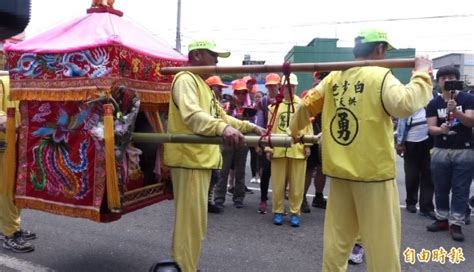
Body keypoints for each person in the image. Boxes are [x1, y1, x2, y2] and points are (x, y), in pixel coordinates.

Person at [288, 29, 433, 271]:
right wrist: (422, 75)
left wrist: (295, 133)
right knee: (382, 246)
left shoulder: (334, 77)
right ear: (379, 49)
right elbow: (405, 105)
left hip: (341, 175)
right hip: (373, 176)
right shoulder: (380, 76)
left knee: (337, 242)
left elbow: (305, 105)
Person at [163, 40, 265, 272]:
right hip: (189, 160)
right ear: (197, 55)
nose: (218, 61)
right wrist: (222, 129)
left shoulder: (202, 85)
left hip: (200, 161)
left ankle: (187, 265)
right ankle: (184, 267)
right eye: (213, 55)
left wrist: (249, 127)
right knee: (189, 224)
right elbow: (193, 115)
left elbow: (222, 117)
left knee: (196, 224)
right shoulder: (185, 79)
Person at [425, 65, 474, 242]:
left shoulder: (468, 98)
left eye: (451, 77)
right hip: (440, 150)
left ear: (457, 80)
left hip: (464, 149)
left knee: (460, 189)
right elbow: (431, 128)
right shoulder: (433, 103)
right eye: (443, 78)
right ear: (438, 82)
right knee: (440, 187)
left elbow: (470, 122)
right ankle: (442, 219)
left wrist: (455, 111)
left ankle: (456, 223)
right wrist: (441, 130)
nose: (447, 81)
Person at [265, 73, 313, 227]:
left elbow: (307, 127)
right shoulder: (274, 107)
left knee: (297, 185)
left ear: (296, 87)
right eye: (287, 86)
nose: (289, 89)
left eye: (292, 86)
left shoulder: (303, 105)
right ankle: (278, 211)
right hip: (279, 150)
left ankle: (295, 212)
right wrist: (268, 147)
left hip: (296, 149)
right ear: (281, 87)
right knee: (278, 184)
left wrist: (307, 145)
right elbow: (269, 129)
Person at [0, 74, 36, 253]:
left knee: (15, 188)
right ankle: (10, 234)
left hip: (15, 144)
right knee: (6, 190)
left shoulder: (19, 83)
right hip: (5, 144)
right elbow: (2, 120)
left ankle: (12, 227)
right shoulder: (3, 82)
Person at [213, 79, 254, 209]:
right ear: (234, 92)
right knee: (223, 171)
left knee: (240, 171)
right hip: (228, 142)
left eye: (243, 93)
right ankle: (219, 198)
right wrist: (232, 107)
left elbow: (251, 124)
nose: (241, 95)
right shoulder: (225, 105)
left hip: (242, 142)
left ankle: (238, 198)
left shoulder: (250, 106)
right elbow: (224, 120)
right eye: (238, 92)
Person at [395, 106, 436, 219]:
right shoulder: (408, 105)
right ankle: (411, 202)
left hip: (428, 142)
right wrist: (400, 143)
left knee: (428, 175)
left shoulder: (431, 102)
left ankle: (426, 207)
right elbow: (401, 124)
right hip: (411, 143)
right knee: (412, 175)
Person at [301, 71, 329, 213]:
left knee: (323, 169)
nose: (320, 80)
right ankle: (302, 198)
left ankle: (318, 196)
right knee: (309, 168)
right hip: (311, 134)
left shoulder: (331, 95)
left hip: (326, 135)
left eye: (324, 77)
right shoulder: (310, 94)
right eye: (319, 77)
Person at [255, 73, 280, 214]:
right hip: (267, 139)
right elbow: (259, 122)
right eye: (269, 85)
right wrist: (259, 143)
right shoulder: (262, 102)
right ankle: (263, 199)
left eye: (274, 85)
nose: (271, 88)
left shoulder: (285, 100)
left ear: (279, 85)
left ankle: (279, 202)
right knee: (266, 171)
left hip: (282, 139)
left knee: (282, 173)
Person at [205, 75, 229, 214]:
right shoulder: (206, 102)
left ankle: (208, 201)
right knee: (212, 176)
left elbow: (225, 119)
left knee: (214, 176)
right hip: (203, 148)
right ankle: (205, 202)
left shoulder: (216, 103)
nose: (221, 90)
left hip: (213, 147)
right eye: (218, 88)